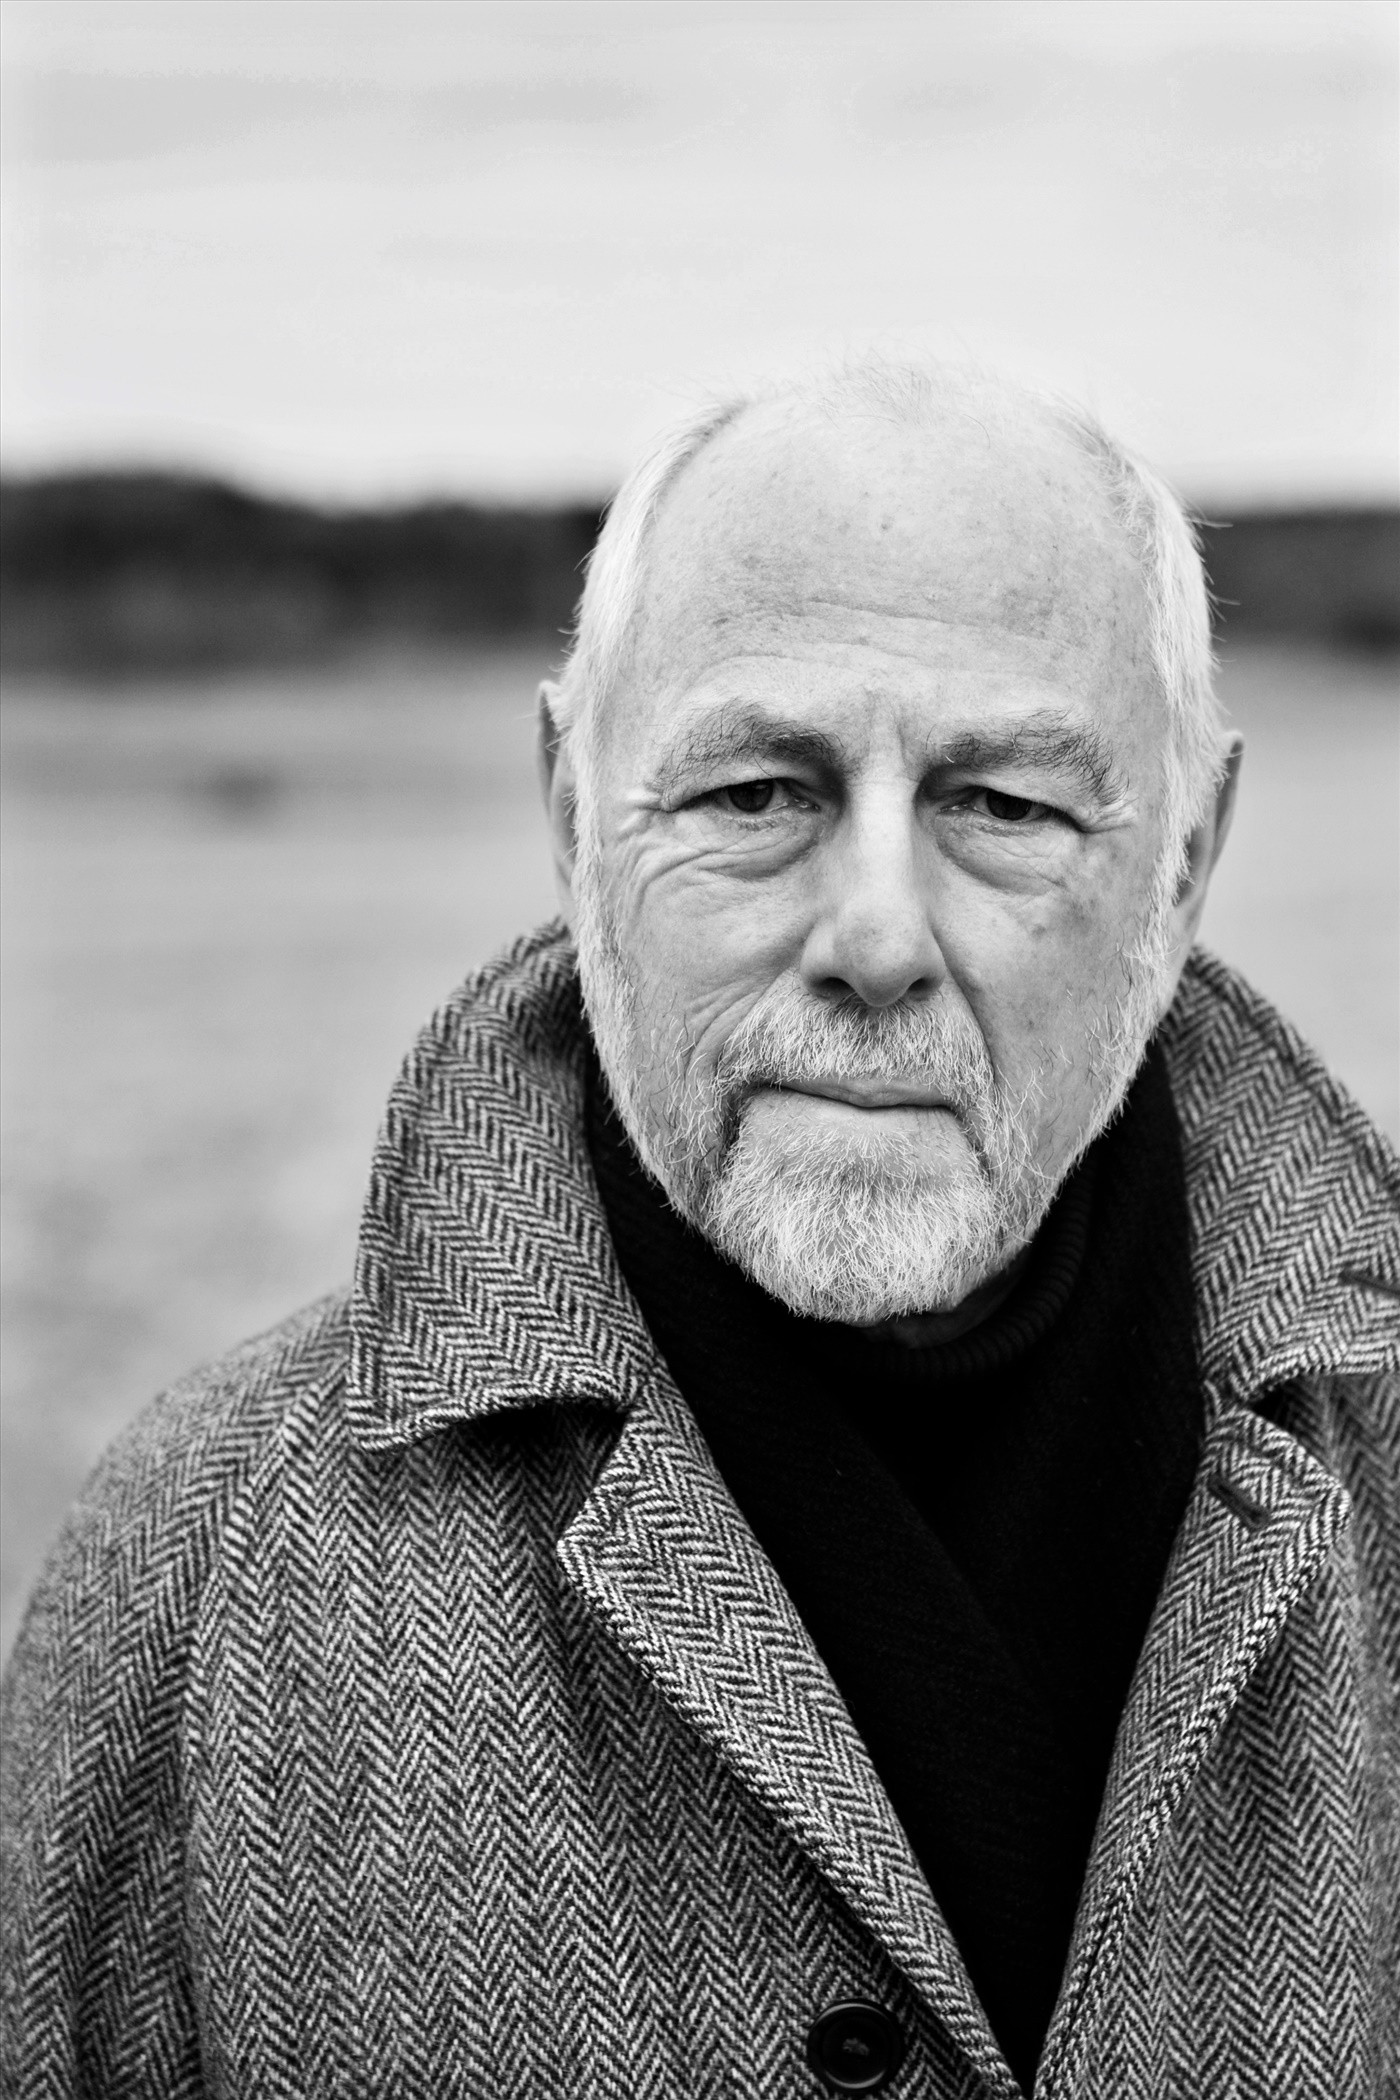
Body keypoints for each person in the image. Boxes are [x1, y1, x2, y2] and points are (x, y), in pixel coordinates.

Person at [2, 360, 1396, 2100]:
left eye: (1007, 807)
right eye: (754, 794)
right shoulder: (200, 1563)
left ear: (1185, 861)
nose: (876, 938)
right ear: (573, 815)